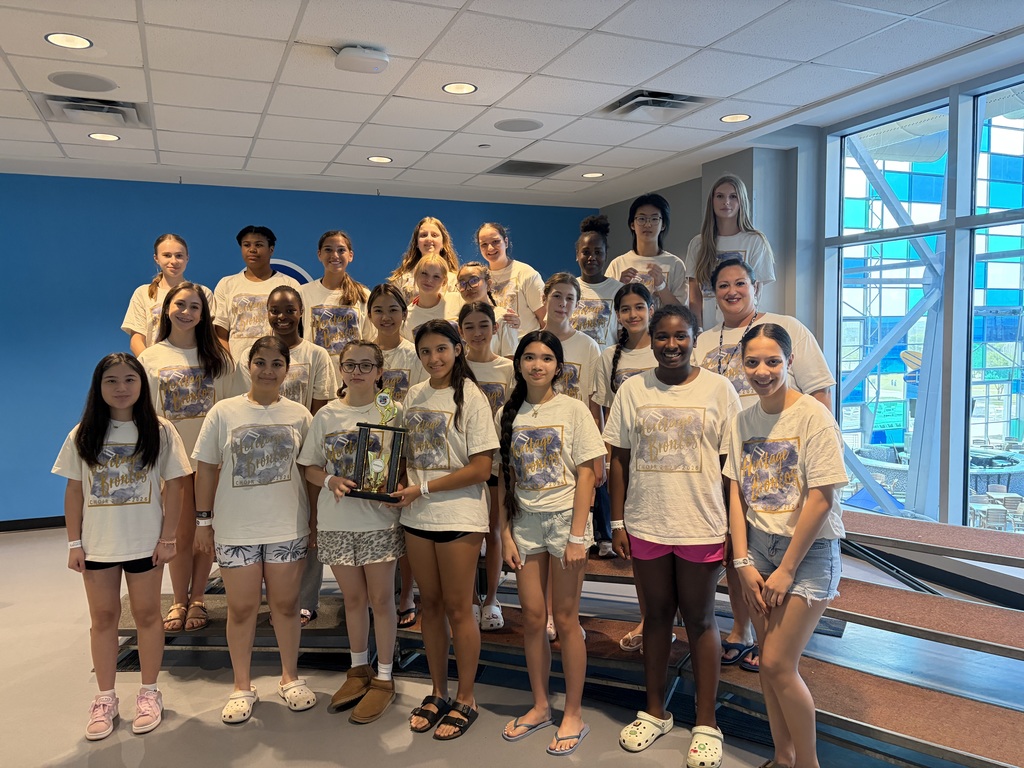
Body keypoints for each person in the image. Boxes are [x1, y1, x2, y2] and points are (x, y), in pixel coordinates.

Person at [605, 305, 740, 768]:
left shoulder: (720, 390)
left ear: (695, 338)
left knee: (701, 619)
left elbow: (731, 469)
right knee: (656, 617)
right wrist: (619, 522)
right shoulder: (631, 389)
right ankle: (656, 710)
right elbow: (618, 458)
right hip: (647, 521)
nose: (670, 345)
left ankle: (706, 722)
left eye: (680, 336)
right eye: (662, 337)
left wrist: (730, 529)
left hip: (701, 522)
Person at [694, 258, 835, 674]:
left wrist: (813, 448)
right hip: (727, 452)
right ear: (713, 292)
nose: (732, 291)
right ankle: (742, 627)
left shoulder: (785, 327)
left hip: (783, 455)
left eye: (740, 283)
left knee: (770, 541)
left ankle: (774, 642)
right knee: (739, 547)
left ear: (756, 286)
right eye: (723, 285)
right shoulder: (705, 341)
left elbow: (819, 390)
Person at [725, 323, 847, 768]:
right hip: (757, 547)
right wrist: (740, 561)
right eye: (753, 361)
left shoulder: (814, 416)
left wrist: (788, 568)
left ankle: (808, 764)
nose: (762, 371)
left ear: (790, 362)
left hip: (807, 553)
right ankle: (782, 757)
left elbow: (822, 498)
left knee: (776, 663)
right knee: (768, 664)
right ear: (742, 363)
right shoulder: (742, 419)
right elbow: (736, 493)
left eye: (773, 361)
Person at [52, 353, 191, 740]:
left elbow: (177, 485)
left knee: (148, 616)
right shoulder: (83, 434)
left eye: (130, 379)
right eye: (111, 381)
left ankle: (149, 692)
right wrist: (74, 542)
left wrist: (168, 539)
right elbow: (74, 489)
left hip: (145, 544)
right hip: (98, 546)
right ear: (98, 387)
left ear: (142, 385)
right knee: (103, 620)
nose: (121, 388)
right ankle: (105, 697)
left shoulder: (160, 431)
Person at [193, 337, 317, 725]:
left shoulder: (299, 415)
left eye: (276, 363)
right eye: (260, 362)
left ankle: (289, 677)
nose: (267, 370)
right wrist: (203, 521)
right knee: (242, 608)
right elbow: (207, 468)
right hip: (235, 530)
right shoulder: (223, 412)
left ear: (287, 369)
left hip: (286, 527)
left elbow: (308, 470)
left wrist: (313, 520)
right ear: (249, 366)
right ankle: (242, 686)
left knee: (285, 607)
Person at [497, 331, 604, 756]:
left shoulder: (573, 409)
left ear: (558, 366)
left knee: (565, 617)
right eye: (529, 357)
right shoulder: (509, 412)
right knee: (532, 616)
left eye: (545, 358)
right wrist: (504, 532)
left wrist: (578, 536)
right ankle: (541, 705)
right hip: (524, 524)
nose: (536, 365)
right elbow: (504, 478)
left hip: (565, 524)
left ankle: (573, 712)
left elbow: (587, 474)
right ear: (519, 363)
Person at [390, 320, 498, 740]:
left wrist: (424, 487)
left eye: (441, 349)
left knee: (458, 608)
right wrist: (396, 482)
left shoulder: (472, 397)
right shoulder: (413, 396)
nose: (434, 358)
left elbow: (481, 468)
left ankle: (466, 696)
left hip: (458, 518)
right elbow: (402, 451)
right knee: (430, 606)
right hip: (417, 518)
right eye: (425, 352)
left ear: (457, 349)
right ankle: (438, 691)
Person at [298, 341, 405, 724]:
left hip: (378, 521)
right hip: (337, 522)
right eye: (350, 365)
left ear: (380, 370)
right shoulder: (326, 415)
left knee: (382, 600)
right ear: (341, 370)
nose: (357, 371)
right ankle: (358, 670)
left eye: (366, 365)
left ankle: (385, 678)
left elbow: (405, 459)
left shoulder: (392, 411)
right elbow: (310, 467)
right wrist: (330, 480)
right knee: (354, 600)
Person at [138, 283, 234, 634]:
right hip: (172, 463)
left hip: (210, 461)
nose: (186, 312)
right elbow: (144, 413)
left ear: (203, 314)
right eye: (180, 304)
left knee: (203, 534)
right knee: (177, 534)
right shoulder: (150, 358)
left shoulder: (219, 358)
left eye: (195, 307)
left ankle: (199, 599)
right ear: (166, 309)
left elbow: (229, 410)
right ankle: (179, 599)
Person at [538, 272, 603, 640]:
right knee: (542, 542)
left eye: (569, 298)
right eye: (557, 295)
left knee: (574, 537)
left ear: (577, 306)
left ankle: (568, 613)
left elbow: (593, 406)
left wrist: (598, 458)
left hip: (576, 453)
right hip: (541, 453)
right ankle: (547, 613)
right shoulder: (528, 342)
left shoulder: (587, 347)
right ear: (545, 298)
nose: (562, 303)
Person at [594, 284, 657, 635]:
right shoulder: (609, 357)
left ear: (651, 307)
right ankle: (649, 620)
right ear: (617, 315)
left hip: (661, 458)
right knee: (638, 546)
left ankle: (665, 620)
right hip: (626, 459)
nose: (633, 314)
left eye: (639, 307)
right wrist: (605, 455)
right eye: (625, 309)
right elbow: (601, 407)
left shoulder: (664, 349)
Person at [366, 282, 425, 628]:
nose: (386, 317)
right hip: (370, 452)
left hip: (407, 451)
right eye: (379, 310)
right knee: (377, 525)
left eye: (393, 310)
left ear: (404, 314)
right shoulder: (361, 351)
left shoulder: (414, 355)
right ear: (369, 315)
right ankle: (377, 595)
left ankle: (406, 594)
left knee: (404, 526)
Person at [459, 302, 516, 631]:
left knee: (494, 533)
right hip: (464, 465)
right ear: (461, 331)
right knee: (469, 534)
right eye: (470, 327)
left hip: (496, 464)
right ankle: (469, 599)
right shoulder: (456, 368)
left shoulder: (508, 369)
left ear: (495, 328)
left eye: (484, 325)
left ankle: (492, 599)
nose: (477, 333)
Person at [685, 174, 776, 330]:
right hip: (708, 329)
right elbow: (695, 295)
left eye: (733, 196)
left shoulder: (755, 240)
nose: (726, 202)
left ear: (741, 201)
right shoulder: (698, 243)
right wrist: (697, 329)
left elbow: (757, 292)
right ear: (712, 201)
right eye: (720, 196)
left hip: (744, 327)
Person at [213, 225, 301, 363]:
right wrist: (230, 366)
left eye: (259, 245)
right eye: (246, 245)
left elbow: (297, 332)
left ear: (271, 249)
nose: (252, 250)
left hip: (277, 366)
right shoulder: (226, 284)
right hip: (237, 368)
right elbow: (220, 334)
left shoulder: (290, 284)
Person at [122, 233, 214, 356]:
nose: (173, 261)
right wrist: (151, 366)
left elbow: (211, 336)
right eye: (167, 255)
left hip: (193, 369)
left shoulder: (203, 293)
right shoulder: (143, 293)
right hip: (156, 369)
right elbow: (136, 340)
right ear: (156, 258)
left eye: (179, 256)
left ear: (187, 258)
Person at [300, 230, 375, 369]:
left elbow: (370, 340)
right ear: (319, 255)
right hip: (315, 374)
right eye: (328, 249)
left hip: (353, 378)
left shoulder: (364, 295)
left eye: (341, 250)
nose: (335, 255)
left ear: (350, 255)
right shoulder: (303, 292)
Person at [605, 193, 687, 310]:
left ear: (663, 225)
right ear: (632, 224)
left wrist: (661, 286)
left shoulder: (675, 264)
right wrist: (619, 286)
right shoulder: (618, 264)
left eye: (654, 219)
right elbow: (607, 309)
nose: (648, 224)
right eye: (642, 219)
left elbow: (682, 312)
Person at [475, 222, 546, 334]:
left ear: (506, 242)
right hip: (494, 347)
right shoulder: (479, 279)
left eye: (495, 241)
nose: (490, 248)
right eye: (484, 244)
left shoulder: (526, 273)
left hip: (524, 346)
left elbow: (545, 319)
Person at [572, 214, 623, 350]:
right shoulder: (569, 288)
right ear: (577, 255)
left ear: (606, 255)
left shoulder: (619, 291)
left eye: (598, 252)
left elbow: (623, 336)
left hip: (605, 365)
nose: (592, 257)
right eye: (586, 252)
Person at [453, 261, 519, 357]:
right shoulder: (459, 320)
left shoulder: (504, 318)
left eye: (474, 280)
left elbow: (510, 358)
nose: (468, 287)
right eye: (462, 283)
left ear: (488, 284)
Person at [389, 216, 459, 302]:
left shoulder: (454, 281)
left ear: (443, 243)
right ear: (417, 243)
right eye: (423, 235)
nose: (429, 239)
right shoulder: (402, 281)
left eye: (434, 235)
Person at [403, 254, 458, 342]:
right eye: (424, 273)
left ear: (444, 281)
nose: (429, 280)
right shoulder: (406, 317)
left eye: (436, 276)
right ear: (416, 275)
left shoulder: (457, 301)